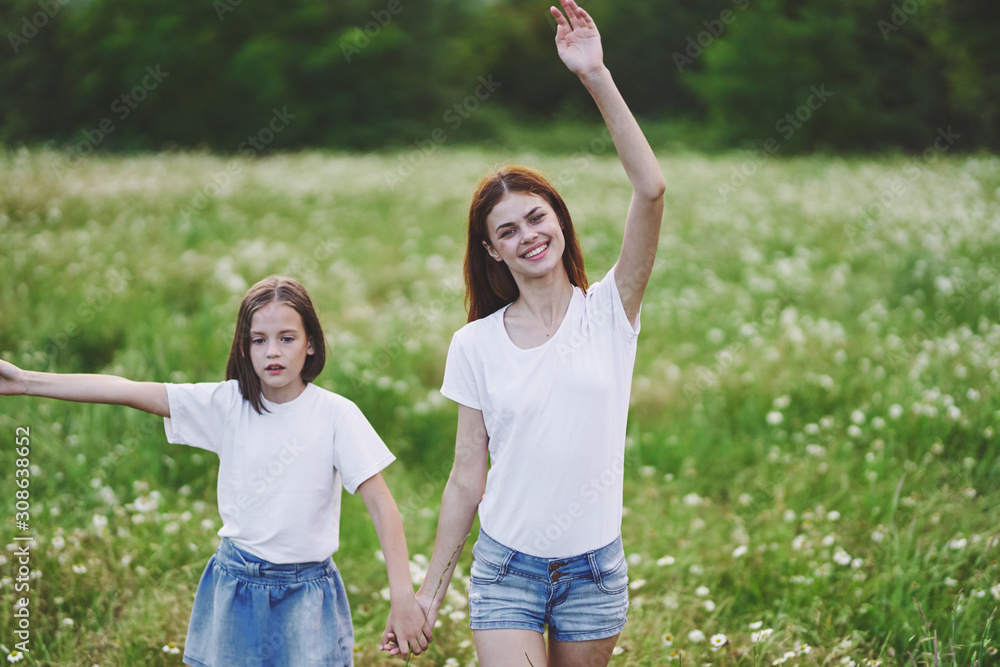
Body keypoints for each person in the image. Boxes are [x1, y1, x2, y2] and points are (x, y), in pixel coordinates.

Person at [384, 1, 667, 664]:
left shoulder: (611, 311)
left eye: (536, 217)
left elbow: (650, 190)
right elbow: (464, 474)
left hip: (594, 572)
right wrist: (430, 592)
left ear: (560, 222)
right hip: (507, 569)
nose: (528, 235)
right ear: (492, 252)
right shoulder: (475, 344)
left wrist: (595, 75)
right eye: (507, 230)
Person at [0, 276, 430, 666]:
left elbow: (382, 506)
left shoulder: (336, 415)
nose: (273, 352)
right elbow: (127, 391)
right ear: (244, 347)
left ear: (311, 343)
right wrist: (24, 381)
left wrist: (403, 598)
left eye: (287, 338)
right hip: (235, 587)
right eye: (259, 340)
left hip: (307, 594)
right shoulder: (227, 405)